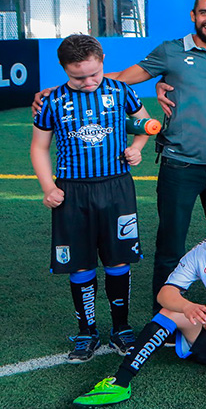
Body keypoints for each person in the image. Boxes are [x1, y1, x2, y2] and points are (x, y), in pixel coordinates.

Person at [32, 0, 206, 312]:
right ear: (193, 15)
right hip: (180, 164)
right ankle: (165, 314)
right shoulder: (170, 51)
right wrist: (60, 91)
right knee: (171, 244)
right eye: (204, 12)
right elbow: (121, 78)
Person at [72, 188, 206, 408]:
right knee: (170, 311)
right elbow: (165, 294)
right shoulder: (201, 252)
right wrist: (187, 307)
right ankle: (120, 382)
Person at [31, 35, 152, 362]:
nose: (88, 82)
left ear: (103, 61)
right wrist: (48, 187)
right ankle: (87, 331)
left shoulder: (121, 91)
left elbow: (144, 124)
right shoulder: (52, 102)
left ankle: (121, 328)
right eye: (78, 77)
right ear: (64, 69)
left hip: (116, 188)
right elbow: (39, 147)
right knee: (80, 262)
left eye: (94, 74)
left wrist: (137, 148)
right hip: (72, 193)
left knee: (118, 259)